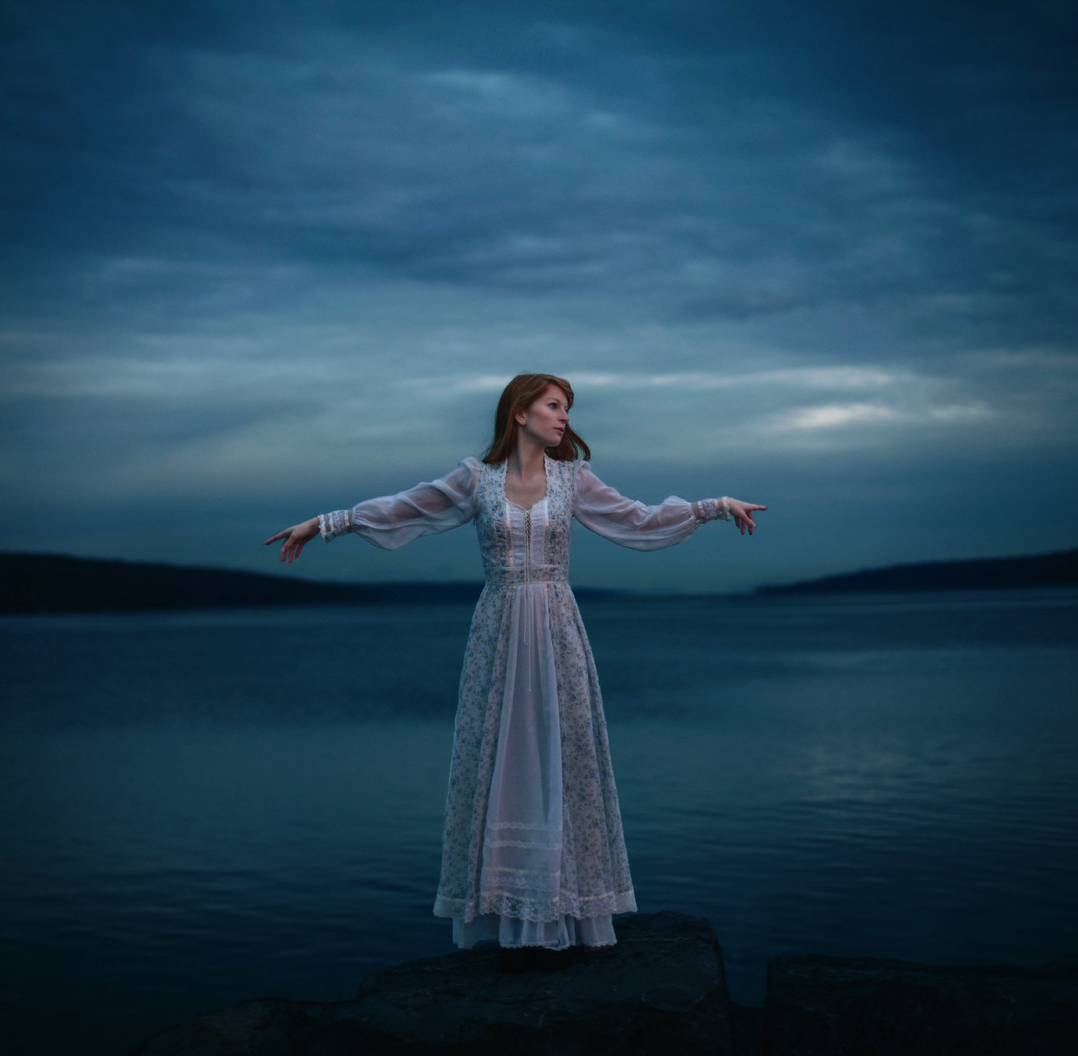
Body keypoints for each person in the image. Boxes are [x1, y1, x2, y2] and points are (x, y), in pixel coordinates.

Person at [266, 373, 765, 972]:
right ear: (520, 413)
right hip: (499, 628)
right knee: (498, 753)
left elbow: (638, 519)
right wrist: (324, 524)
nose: (563, 419)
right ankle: (510, 908)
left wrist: (714, 507)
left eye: (566, 409)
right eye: (554, 407)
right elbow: (406, 508)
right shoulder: (476, 479)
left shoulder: (572, 478)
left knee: (564, 754)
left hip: (557, 626)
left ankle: (569, 904)